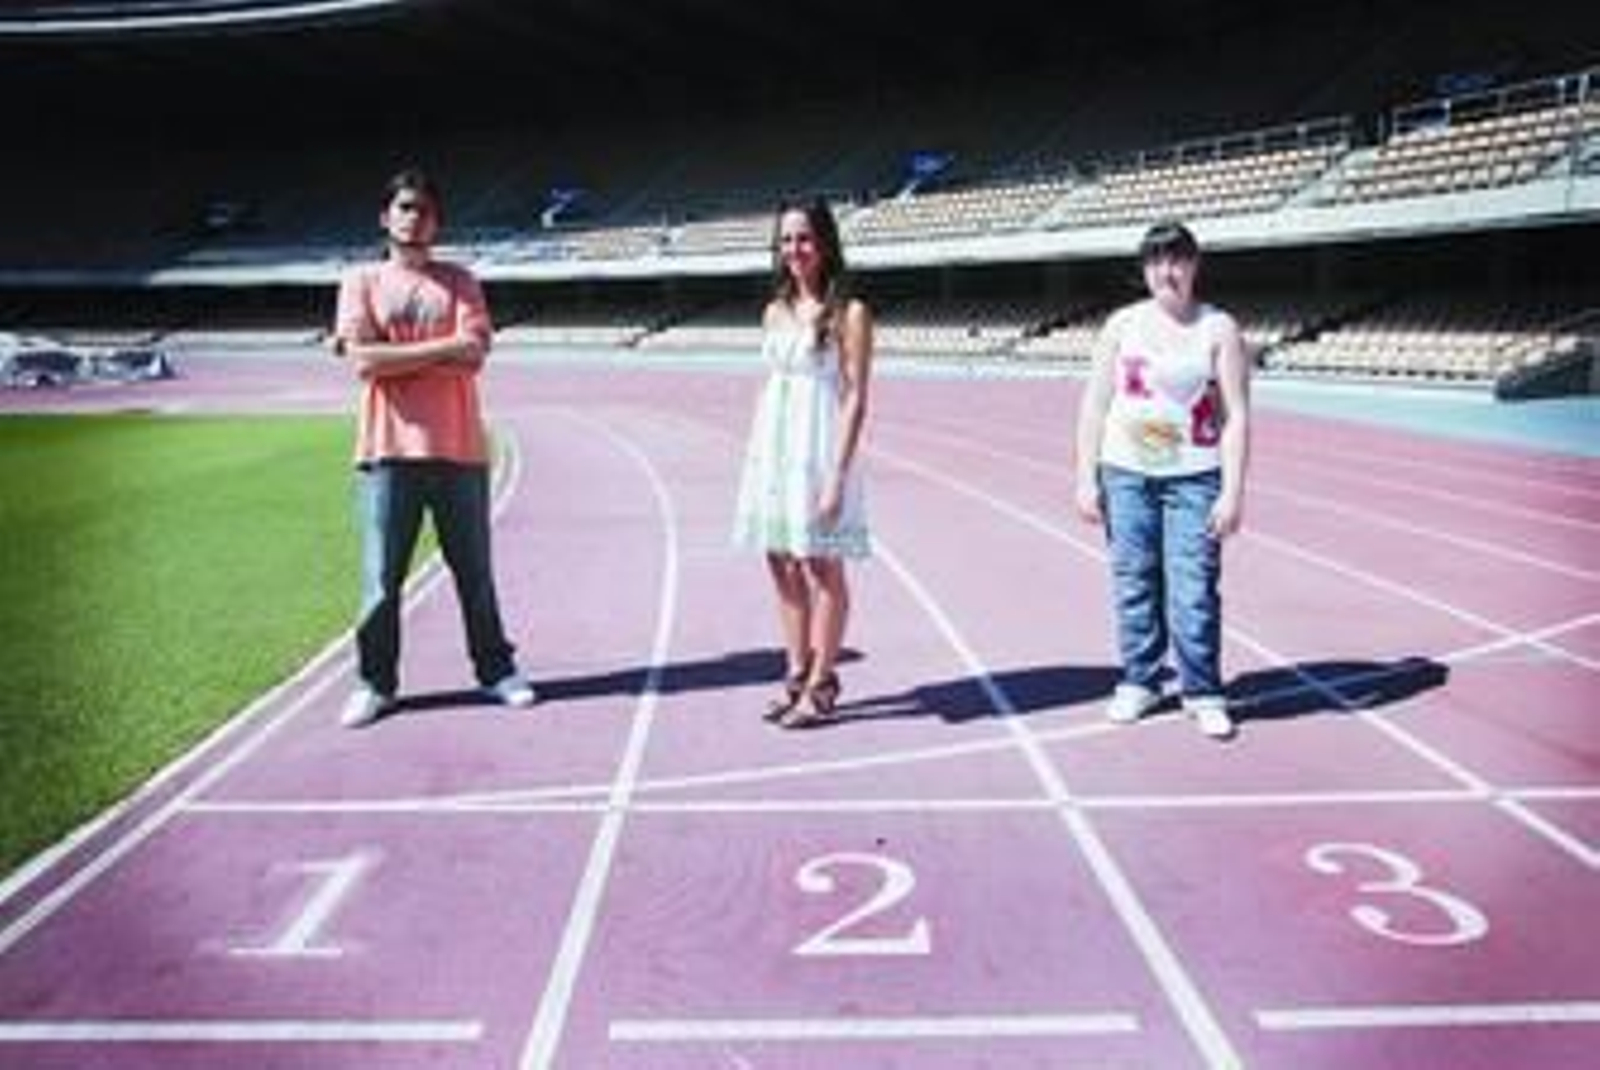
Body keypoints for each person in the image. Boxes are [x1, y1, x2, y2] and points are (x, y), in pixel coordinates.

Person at [330, 167, 536, 728]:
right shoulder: (361, 281)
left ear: (436, 221)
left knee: (475, 574)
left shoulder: (461, 280)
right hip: (386, 451)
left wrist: (393, 352)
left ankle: (495, 670)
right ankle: (376, 683)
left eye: (423, 209)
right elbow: (363, 362)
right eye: (404, 207)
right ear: (385, 217)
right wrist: (442, 346)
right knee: (380, 582)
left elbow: (474, 356)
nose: (413, 217)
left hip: (458, 450)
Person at [1073, 221, 1251, 740]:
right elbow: (1095, 404)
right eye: (1154, 261)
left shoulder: (1218, 328)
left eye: (1176, 260)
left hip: (1194, 478)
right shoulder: (1120, 325)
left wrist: (1233, 491)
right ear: (1143, 269)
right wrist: (1085, 477)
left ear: (1194, 265)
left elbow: (1237, 415)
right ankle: (1141, 681)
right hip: (1125, 473)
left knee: (1193, 589)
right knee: (1134, 581)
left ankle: (1203, 691)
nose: (1165, 271)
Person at [732, 198, 874, 729]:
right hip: (774, 449)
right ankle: (796, 669)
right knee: (778, 559)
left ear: (826, 243)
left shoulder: (850, 313)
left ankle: (823, 679)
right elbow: (772, 385)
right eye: (786, 239)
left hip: (819, 451)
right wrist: (757, 456)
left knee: (821, 563)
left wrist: (836, 477)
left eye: (805, 238)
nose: (794, 249)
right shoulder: (774, 310)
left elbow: (857, 398)